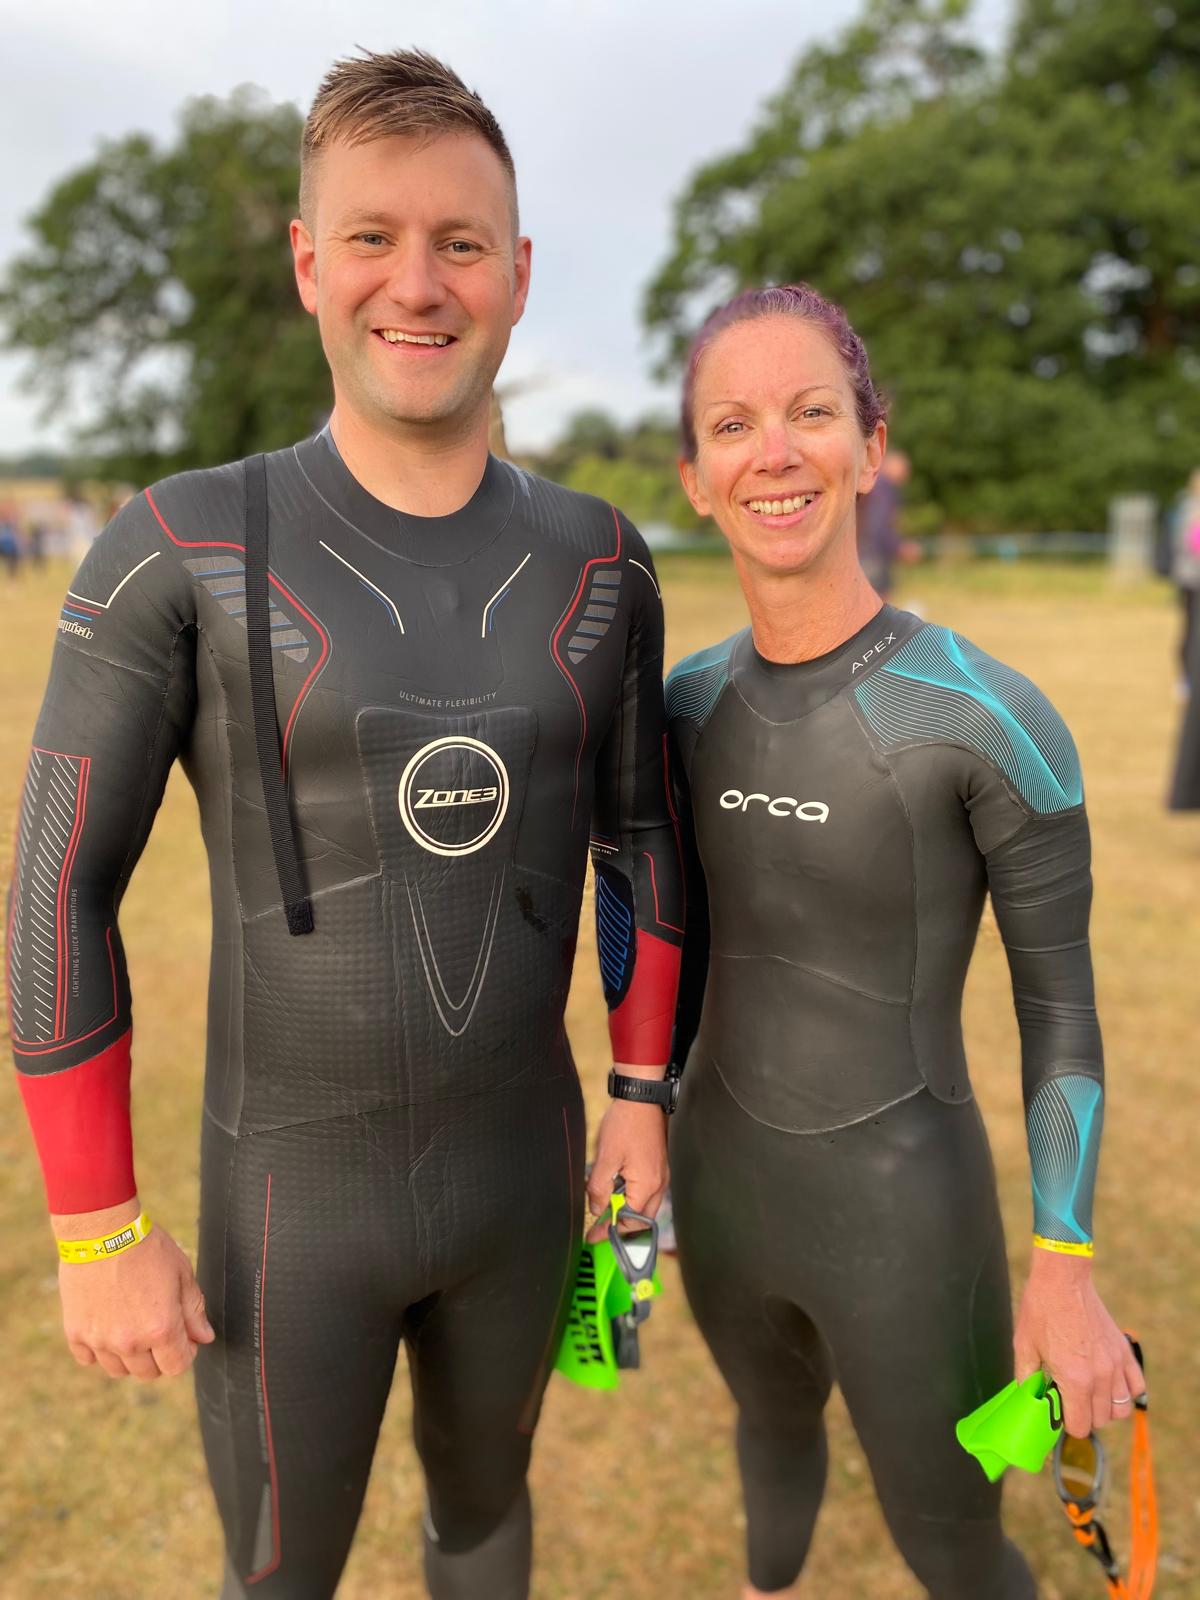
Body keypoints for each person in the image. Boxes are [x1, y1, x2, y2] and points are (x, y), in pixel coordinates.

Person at [6, 49, 683, 1600]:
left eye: (460, 243)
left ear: (519, 273)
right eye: (373, 237)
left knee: (487, 1520)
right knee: (278, 1573)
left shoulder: (600, 559)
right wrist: (96, 1225)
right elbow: (56, 885)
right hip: (289, 1206)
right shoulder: (178, 544)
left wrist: (643, 1095)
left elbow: (640, 841)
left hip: (523, 1184)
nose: (417, 283)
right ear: (311, 264)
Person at [665, 283, 1143, 1600]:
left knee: (952, 1545)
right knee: (768, 1439)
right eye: (733, 425)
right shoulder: (680, 706)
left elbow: (1062, 1012)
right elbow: (655, 942)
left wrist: (1065, 1265)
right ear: (696, 477)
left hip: (906, 1216)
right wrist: (633, 1134)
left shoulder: (989, 718)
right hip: (719, 1186)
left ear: (872, 447)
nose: (774, 452)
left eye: (812, 414)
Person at [855, 446, 917, 598]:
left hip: (863, 552)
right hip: (873, 555)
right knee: (878, 603)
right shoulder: (884, 488)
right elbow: (880, 524)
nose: (906, 474)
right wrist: (898, 547)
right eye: (904, 468)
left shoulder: (871, 485)